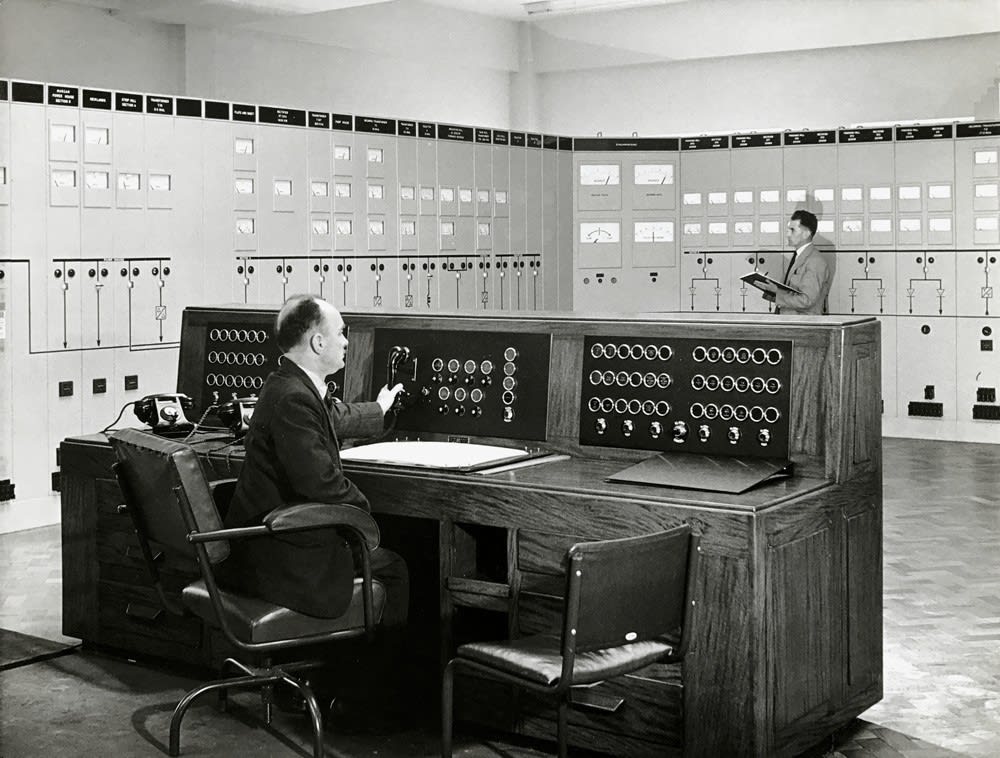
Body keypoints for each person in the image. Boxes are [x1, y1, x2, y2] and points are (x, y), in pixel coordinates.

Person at [217, 294, 409, 718]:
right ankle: (364, 700)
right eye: (341, 333)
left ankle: (324, 680)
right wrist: (365, 514)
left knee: (379, 548)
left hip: (261, 546)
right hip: (282, 558)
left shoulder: (286, 385)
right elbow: (322, 483)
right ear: (318, 343)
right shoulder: (294, 398)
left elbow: (330, 417)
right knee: (394, 567)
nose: (346, 342)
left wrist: (379, 408)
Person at [758, 209, 833, 315]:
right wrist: (769, 289)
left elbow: (806, 300)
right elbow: (790, 292)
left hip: (802, 323)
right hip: (789, 321)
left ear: (806, 234)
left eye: (792, 230)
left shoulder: (815, 261)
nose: (788, 234)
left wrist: (777, 292)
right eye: (788, 229)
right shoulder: (797, 257)